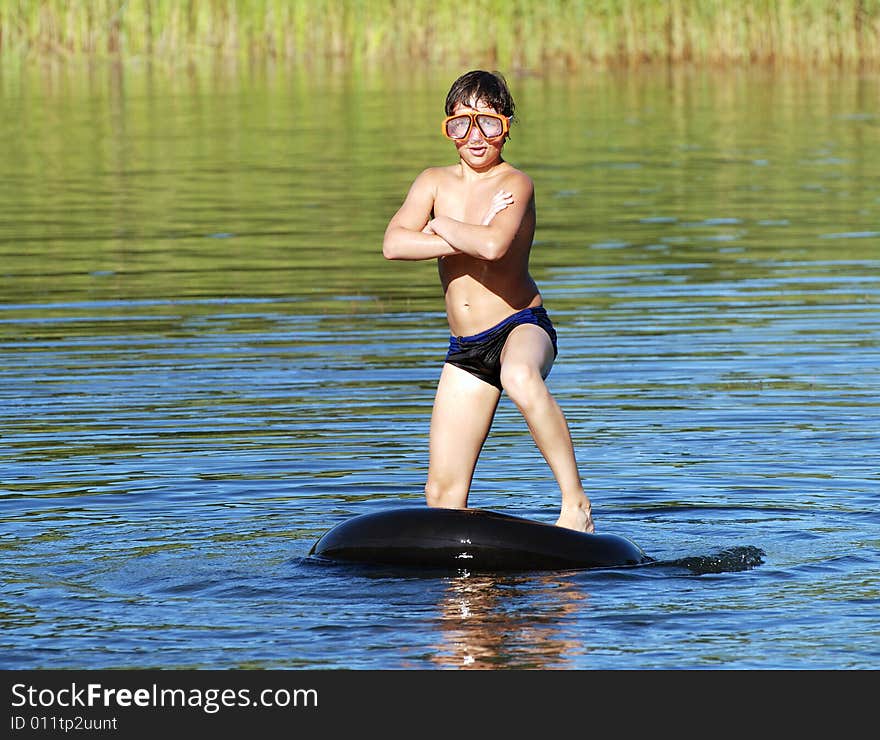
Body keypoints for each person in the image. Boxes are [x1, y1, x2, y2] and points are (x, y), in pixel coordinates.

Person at [382, 70, 594, 533]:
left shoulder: (515, 184)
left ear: (507, 125)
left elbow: (495, 247)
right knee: (441, 498)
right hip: (467, 350)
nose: (474, 137)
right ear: (447, 129)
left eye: (487, 124)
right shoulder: (433, 183)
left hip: (521, 326)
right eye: (460, 124)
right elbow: (395, 244)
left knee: (519, 375)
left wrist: (439, 227)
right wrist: (459, 234)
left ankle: (575, 503)